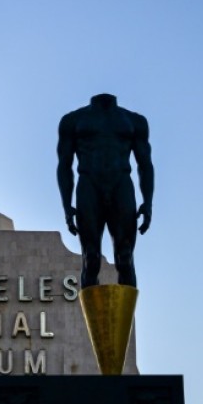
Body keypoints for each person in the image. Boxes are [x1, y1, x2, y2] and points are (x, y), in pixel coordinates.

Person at [57, 93, 153, 288]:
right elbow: (64, 165)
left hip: (121, 185)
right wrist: (67, 206)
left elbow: (145, 164)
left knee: (125, 258)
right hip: (89, 186)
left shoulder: (134, 121)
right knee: (91, 258)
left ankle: (123, 318)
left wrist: (148, 202)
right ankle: (92, 318)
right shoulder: (73, 120)